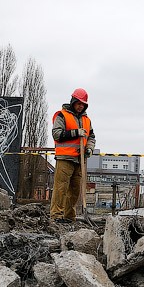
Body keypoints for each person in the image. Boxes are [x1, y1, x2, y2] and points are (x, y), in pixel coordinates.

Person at [50, 88, 95, 223]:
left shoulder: (86, 120)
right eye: (79, 103)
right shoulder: (62, 116)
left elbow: (91, 137)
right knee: (61, 188)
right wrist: (75, 132)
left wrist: (89, 148)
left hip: (79, 159)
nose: (81, 106)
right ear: (73, 101)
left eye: (83, 104)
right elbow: (57, 134)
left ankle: (69, 216)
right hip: (65, 158)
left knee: (75, 190)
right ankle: (56, 216)